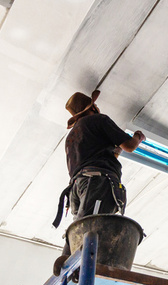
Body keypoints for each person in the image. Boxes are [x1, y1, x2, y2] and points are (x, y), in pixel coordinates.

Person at [51, 90, 145, 275]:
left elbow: (109, 153)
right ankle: (75, 268)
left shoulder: (72, 136)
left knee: (83, 226)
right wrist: (137, 137)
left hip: (78, 187)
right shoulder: (99, 120)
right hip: (97, 184)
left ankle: (65, 264)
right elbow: (130, 146)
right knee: (93, 229)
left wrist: (115, 149)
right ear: (93, 107)